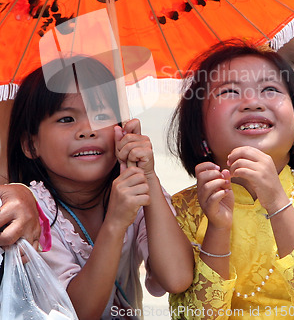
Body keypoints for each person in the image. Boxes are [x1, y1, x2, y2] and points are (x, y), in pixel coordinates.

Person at [7, 55, 193, 320]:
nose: (87, 130)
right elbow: (79, 312)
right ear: (30, 145)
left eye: (101, 115)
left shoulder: (138, 190)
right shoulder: (34, 215)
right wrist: (116, 223)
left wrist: (148, 176)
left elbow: (176, 278)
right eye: (66, 119)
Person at [167, 39, 294, 319]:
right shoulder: (183, 210)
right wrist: (218, 228)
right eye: (229, 91)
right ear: (199, 132)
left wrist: (276, 202)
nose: (252, 102)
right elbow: (194, 315)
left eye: (270, 89)